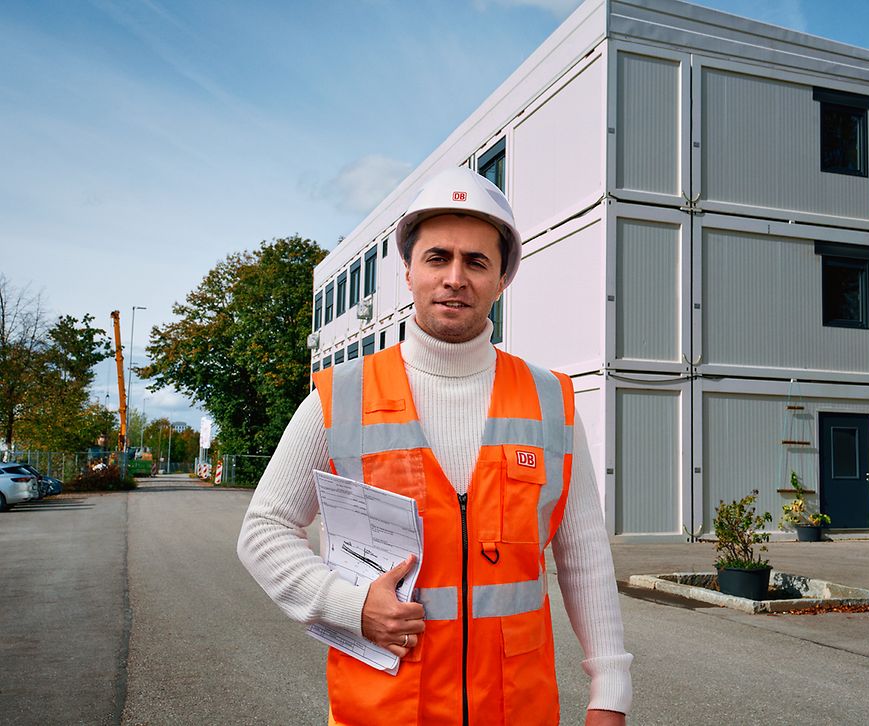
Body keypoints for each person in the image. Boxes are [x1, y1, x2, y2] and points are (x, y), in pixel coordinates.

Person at [238, 166, 632, 725]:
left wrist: (609, 688)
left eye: (476, 262)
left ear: (502, 279)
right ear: (408, 272)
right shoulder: (339, 398)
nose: (455, 277)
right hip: (385, 712)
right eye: (437, 258)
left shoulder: (551, 402)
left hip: (514, 710)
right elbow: (263, 531)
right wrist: (350, 606)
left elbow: (585, 555)